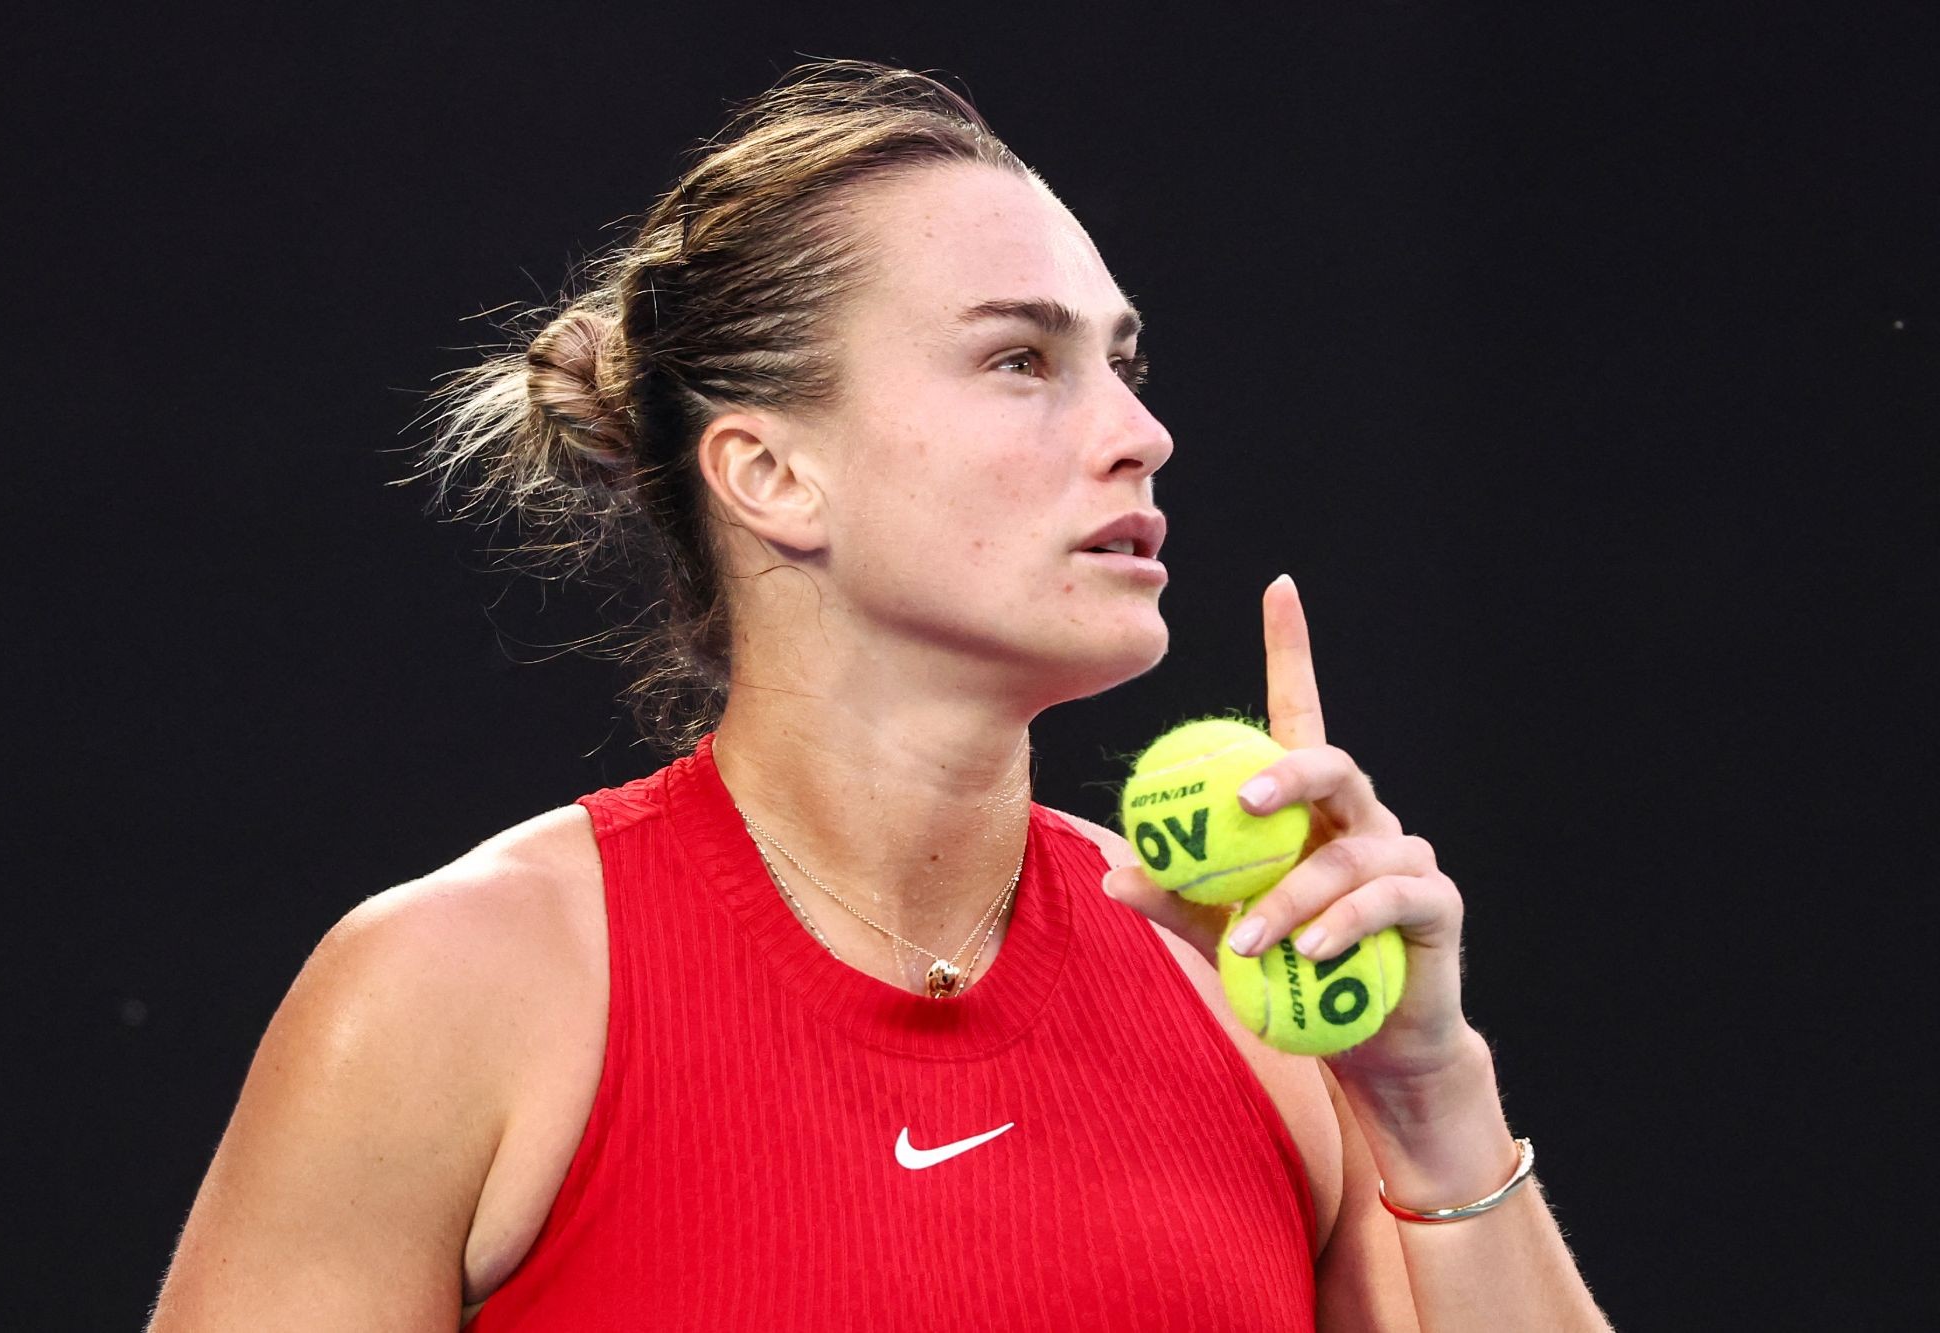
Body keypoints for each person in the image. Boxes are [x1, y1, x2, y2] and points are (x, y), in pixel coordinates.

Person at [146, 60, 1611, 1331]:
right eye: (1021, 358)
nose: (1140, 431)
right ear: (771, 474)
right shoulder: (453, 990)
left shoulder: (1241, 996)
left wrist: (1431, 1103)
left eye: (1123, 363)